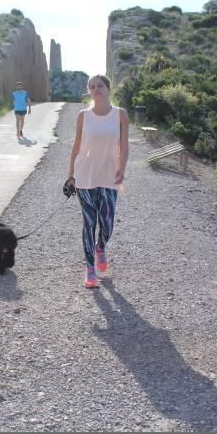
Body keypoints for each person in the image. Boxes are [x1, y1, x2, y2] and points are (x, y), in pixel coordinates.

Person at [65, 74, 129, 288]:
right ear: (89, 91)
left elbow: (124, 145)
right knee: (89, 223)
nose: (96, 89)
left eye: (100, 85)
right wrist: (71, 175)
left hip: (110, 175)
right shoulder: (83, 116)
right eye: (92, 87)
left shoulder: (121, 115)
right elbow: (76, 146)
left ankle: (101, 246)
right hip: (85, 175)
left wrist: (122, 168)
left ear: (108, 89)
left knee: (108, 222)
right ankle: (90, 269)